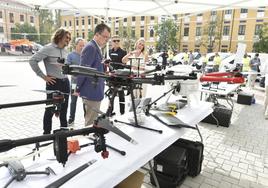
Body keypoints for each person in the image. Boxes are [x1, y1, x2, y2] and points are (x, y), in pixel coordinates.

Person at [29, 28, 71, 134]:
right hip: (53, 83)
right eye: (67, 37)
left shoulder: (66, 51)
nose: (69, 39)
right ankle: (46, 134)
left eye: (70, 38)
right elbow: (32, 60)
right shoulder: (48, 48)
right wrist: (43, 76)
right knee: (50, 110)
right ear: (59, 36)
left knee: (64, 110)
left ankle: (64, 133)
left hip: (65, 82)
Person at [76, 23, 111, 126]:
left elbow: (94, 67)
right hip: (91, 91)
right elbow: (83, 70)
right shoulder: (91, 47)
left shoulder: (96, 47)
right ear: (96, 34)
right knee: (90, 123)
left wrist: (104, 70)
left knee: (93, 120)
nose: (106, 40)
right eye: (104, 37)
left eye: (107, 38)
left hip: (95, 90)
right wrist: (77, 88)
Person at [106, 35, 127, 116]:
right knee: (111, 95)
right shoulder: (109, 51)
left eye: (118, 40)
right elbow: (107, 63)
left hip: (120, 77)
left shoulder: (123, 52)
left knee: (121, 95)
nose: (116, 42)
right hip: (111, 77)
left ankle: (122, 112)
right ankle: (110, 111)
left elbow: (124, 64)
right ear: (111, 42)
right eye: (114, 41)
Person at [66, 38, 85, 125]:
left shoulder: (85, 55)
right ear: (76, 45)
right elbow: (67, 68)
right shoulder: (70, 55)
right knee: (73, 101)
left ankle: (87, 117)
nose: (82, 47)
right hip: (74, 83)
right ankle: (71, 118)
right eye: (80, 45)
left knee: (85, 102)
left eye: (83, 45)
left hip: (84, 83)